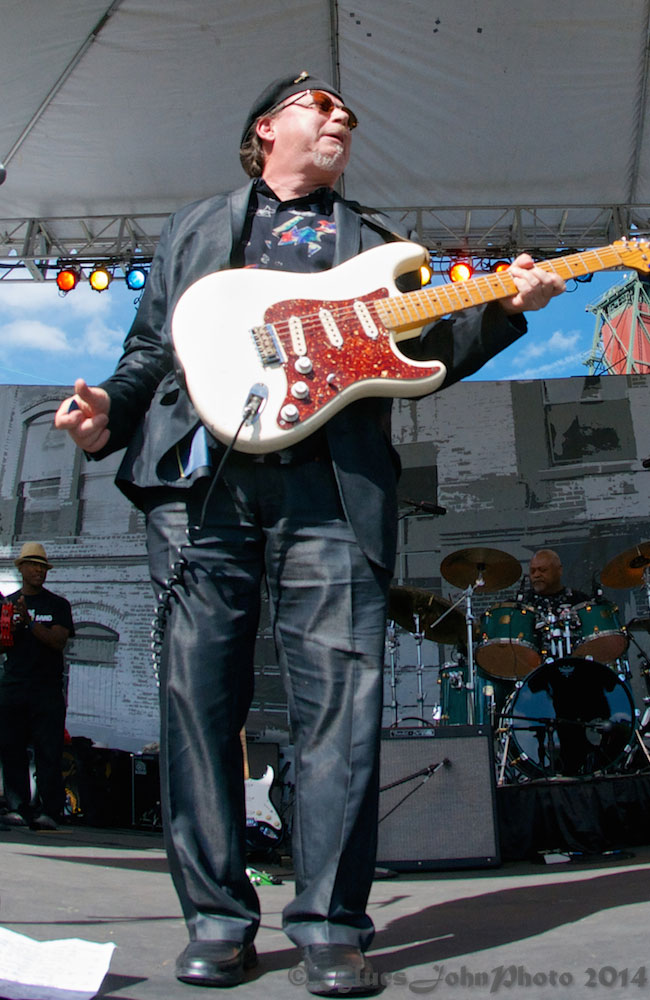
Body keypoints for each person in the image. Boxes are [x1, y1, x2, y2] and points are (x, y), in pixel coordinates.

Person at [55, 71, 564, 994]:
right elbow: (151, 351)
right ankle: (218, 921)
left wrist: (501, 312)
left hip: (330, 491)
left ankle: (331, 925)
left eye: (348, 115)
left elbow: (425, 358)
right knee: (198, 706)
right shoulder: (195, 226)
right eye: (321, 105)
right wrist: (109, 417)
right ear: (266, 127)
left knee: (341, 709)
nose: (341, 119)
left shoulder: (376, 243)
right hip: (200, 486)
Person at [0, 542, 74, 831]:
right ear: (21, 568)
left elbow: (58, 641)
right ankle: (17, 808)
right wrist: (12, 628)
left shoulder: (57, 605)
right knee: (12, 748)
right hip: (14, 686)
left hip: (46, 689)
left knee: (48, 750)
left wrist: (30, 624)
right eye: (33, 565)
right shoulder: (7, 604)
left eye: (42, 567)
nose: (38, 571)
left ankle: (50, 811)